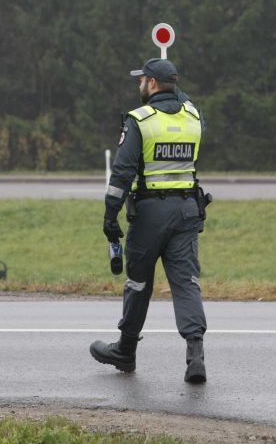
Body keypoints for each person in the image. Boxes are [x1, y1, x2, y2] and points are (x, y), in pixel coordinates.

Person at [89, 57, 208, 383]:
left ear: (152, 84)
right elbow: (184, 102)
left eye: (142, 80)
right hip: (186, 212)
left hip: (150, 215)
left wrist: (110, 214)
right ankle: (195, 355)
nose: (140, 84)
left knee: (138, 283)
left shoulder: (140, 121)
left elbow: (123, 172)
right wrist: (174, 86)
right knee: (186, 283)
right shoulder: (194, 117)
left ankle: (126, 351)